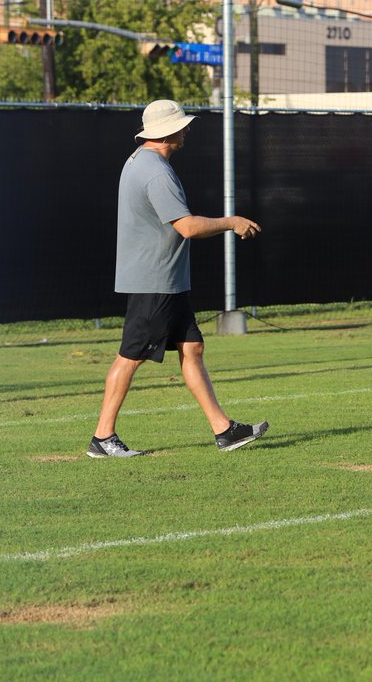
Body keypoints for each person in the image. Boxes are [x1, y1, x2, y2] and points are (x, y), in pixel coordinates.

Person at [87, 100, 269, 458]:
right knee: (130, 356)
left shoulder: (141, 160)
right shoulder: (155, 171)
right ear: (167, 132)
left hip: (166, 280)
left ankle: (224, 431)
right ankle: (102, 438)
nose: (187, 130)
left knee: (192, 348)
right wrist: (231, 222)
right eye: (182, 126)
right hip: (154, 280)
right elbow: (186, 227)